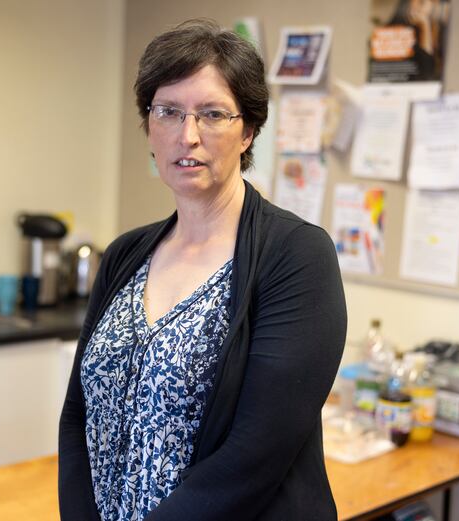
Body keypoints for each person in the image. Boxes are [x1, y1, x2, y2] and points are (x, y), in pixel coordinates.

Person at [59, 19, 347, 521]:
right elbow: (78, 418)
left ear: (249, 131)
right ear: (149, 125)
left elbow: (254, 458)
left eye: (212, 115)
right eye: (168, 111)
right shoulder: (126, 255)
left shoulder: (296, 256)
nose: (187, 135)